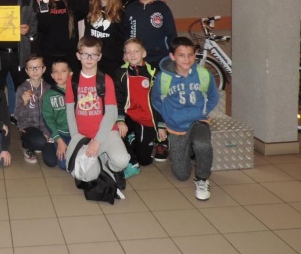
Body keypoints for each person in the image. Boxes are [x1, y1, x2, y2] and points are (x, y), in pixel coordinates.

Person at [151, 37, 218, 201]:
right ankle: (188, 150)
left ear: (195, 55)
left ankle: (202, 179)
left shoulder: (204, 74)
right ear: (172, 56)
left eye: (190, 55)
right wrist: (169, 116)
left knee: (203, 144)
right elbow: (156, 101)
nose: (187, 59)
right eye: (181, 55)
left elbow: (213, 97)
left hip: (198, 120)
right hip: (176, 125)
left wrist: (203, 111)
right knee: (181, 175)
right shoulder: (163, 77)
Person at [65, 37, 129, 190]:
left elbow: (111, 113)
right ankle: (100, 161)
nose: (89, 58)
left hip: (106, 133)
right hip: (83, 136)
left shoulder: (106, 80)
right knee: (87, 176)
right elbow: (70, 112)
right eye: (85, 54)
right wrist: (76, 139)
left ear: (99, 57)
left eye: (93, 55)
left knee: (122, 161)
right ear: (78, 55)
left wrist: (97, 141)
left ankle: (112, 168)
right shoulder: (72, 81)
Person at [114, 38, 163, 178]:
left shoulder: (154, 73)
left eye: (136, 51)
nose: (132, 55)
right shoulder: (121, 73)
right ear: (125, 55)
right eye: (128, 52)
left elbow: (160, 101)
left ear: (144, 53)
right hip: (129, 116)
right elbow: (118, 98)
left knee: (145, 161)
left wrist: (161, 125)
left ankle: (134, 140)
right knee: (115, 131)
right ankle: (132, 161)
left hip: (146, 119)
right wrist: (120, 119)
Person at [124, 0, 177, 70]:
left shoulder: (163, 8)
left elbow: (172, 35)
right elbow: (127, 34)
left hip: (160, 58)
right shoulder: (130, 9)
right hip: (137, 59)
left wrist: (173, 53)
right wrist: (125, 52)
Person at [36, 0, 77, 84]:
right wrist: (41, 9)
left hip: (69, 57)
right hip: (49, 57)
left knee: (70, 90)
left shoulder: (71, 3)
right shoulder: (44, 3)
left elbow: (83, 9)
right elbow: (43, 28)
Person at [15, 55, 57, 166]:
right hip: (28, 127)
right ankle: (26, 145)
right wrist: (24, 103)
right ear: (26, 71)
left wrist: (47, 133)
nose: (34, 71)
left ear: (44, 69)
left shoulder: (49, 89)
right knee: (40, 142)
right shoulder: (21, 89)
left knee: (52, 162)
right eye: (31, 68)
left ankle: (40, 141)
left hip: (45, 128)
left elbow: (53, 115)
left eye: (38, 67)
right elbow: (17, 116)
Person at [85, 0, 126, 79]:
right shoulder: (90, 10)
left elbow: (122, 39)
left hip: (112, 61)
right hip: (93, 59)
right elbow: (87, 35)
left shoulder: (119, 13)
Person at [42, 59, 72, 170]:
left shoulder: (78, 90)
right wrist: (59, 140)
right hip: (60, 134)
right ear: (52, 75)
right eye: (56, 71)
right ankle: (51, 144)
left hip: (75, 134)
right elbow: (48, 119)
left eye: (63, 71)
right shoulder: (49, 95)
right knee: (63, 165)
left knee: (76, 160)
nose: (59, 74)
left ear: (70, 74)